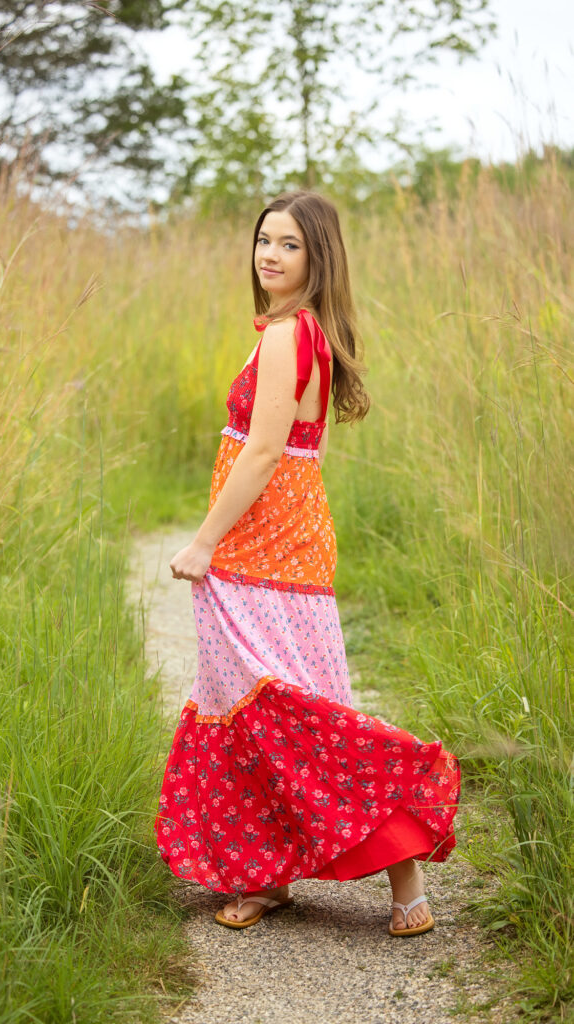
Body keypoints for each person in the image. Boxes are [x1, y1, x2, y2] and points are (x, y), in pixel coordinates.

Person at [154, 191, 460, 935]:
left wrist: (204, 541)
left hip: (260, 548)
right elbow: (300, 453)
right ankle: (275, 877)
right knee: (274, 707)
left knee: (280, 712)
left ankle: (392, 868)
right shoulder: (310, 332)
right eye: (264, 239)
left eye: (289, 244)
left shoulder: (289, 334)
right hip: (295, 541)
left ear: (317, 257)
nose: (270, 254)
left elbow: (264, 452)